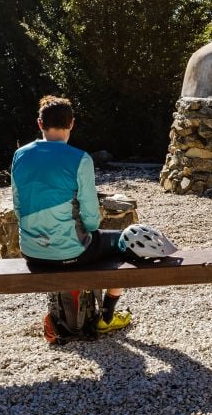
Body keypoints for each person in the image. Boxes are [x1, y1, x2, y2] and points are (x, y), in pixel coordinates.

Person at [10, 95, 131, 335]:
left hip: (31, 252)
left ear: (40, 123)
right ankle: (107, 316)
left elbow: (18, 206)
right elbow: (91, 220)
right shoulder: (80, 158)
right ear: (72, 123)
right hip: (71, 253)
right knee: (122, 242)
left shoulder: (20, 155)